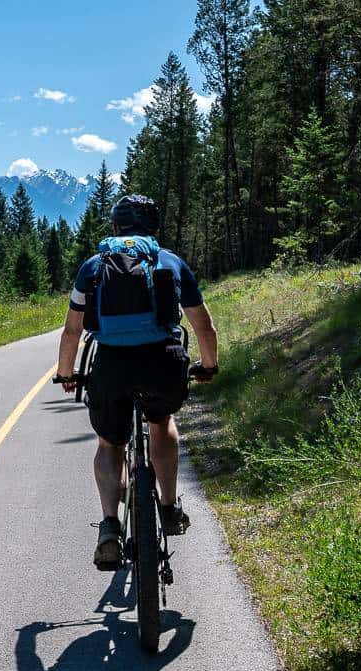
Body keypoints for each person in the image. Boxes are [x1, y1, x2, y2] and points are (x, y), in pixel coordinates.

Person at [55, 195, 219, 570]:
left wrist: (66, 372)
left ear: (114, 227)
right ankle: (168, 507)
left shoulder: (94, 266)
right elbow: (202, 325)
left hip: (111, 365)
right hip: (162, 361)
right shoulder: (170, 261)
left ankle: (110, 526)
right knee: (161, 423)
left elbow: (71, 331)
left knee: (110, 442)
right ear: (153, 228)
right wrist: (208, 365)